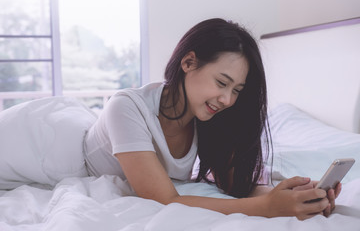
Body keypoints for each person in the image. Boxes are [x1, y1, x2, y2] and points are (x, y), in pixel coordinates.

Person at [83, 18, 341, 220]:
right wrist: (267, 207)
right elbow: (165, 200)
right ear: (188, 62)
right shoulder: (126, 108)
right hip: (66, 154)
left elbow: (237, 187)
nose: (228, 99)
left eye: (237, 90)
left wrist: (292, 194)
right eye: (221, 82)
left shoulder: (208, 115)